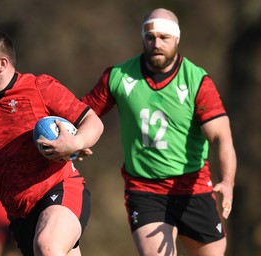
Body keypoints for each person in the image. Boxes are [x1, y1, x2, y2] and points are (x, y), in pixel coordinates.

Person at [82, 8, 237, 256]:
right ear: (142, 38)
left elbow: (221, 136)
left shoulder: (197, 81)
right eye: (150, 37)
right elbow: (82, 113)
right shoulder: (119, 76)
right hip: (145, 190)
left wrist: (227, 181)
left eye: (164, 38)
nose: (156, 44)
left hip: (192, 187)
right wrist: (76, 140)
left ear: (177, 39)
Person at [0, 30, 104, 256]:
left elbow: (93, 122)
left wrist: (76, 142)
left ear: (2, 63)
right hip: (19, 213)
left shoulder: (40, 88)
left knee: (47, 246)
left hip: (60, 189)